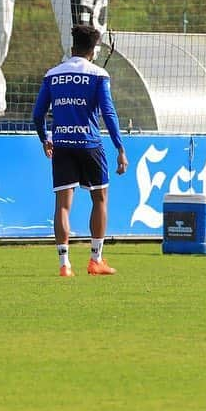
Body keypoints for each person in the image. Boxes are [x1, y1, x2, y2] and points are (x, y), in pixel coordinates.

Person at [32, 25, 128, 277]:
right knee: (100, 199)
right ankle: (95, 260)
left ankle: (64, 265)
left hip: (62, 145)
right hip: (90, 144)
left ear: (72, 47)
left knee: (62, 205)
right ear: (93, 50)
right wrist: (119, 147)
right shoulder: (98, 75)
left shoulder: (53, 75)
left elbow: (37, 113)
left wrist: (45, 138)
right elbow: (108, 112)